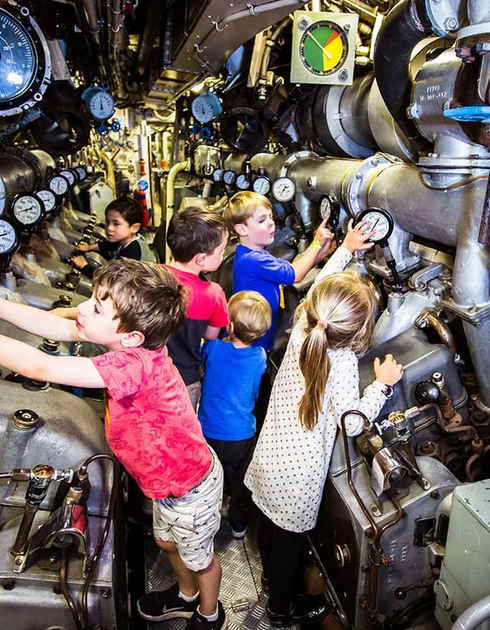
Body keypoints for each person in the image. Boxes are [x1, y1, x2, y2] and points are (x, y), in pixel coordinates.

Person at [0, 259, 228, 630]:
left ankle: (209, 613)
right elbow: (60, 325)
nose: (84, 308)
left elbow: (43, 367)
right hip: (163, 484)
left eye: (97, 306)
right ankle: (185, 596)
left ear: (132, 337)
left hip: (190, 488)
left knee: (200, 558)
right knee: (169, 545)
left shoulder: (133, 365)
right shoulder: (129, 340)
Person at [244, 220, 404, 628]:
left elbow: (322, 287)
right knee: (289, 546)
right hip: (298, 476)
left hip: (270, 454)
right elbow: (352, 423)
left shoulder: (306, 327)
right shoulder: (346, 362)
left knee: (267, 524)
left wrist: (347, 249)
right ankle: (281, 608)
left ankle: (267, 579)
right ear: (361, 329)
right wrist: (383, 388)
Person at [198, 290, 272, 539]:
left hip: (208, 431)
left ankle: (207, 516)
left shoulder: (214, 349)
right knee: (240, 481)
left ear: (228, 325)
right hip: (241, 435)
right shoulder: (260, 357)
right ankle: (238, 521)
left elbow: (202, 354)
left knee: (208, 477)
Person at [223, 191, 333, 351]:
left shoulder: (252, 253)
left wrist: (324, 251)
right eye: (261, 220)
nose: (270, 223)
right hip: (254, 341)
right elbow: (295, 274)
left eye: (270, 217)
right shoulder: (254, 260)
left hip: (258, 333)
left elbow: (295, 268)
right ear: (242, 229)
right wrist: (316, 243)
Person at [165, 206, 229, 410]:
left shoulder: (152, 277)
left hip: (149, 374)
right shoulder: (213, 293)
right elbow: (211, 334)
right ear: (201, 259)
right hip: (184, 379)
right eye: (221, 251)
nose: (224, 254)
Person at [71, 197, 147, 277]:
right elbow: (109, 245)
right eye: (107, 222)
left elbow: (112, 279)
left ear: (134, 228)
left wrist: (83, 266)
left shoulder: (132, 253)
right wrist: (88, 248)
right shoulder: (127, 239)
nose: (109, 228)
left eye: (116, 224)